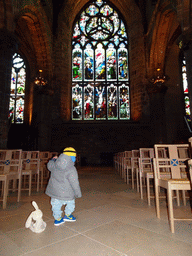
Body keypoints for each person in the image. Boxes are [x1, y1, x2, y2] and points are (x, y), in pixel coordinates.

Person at [45, 147, 82, 226]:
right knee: (71, 204)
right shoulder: (71, 168)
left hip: (55, 192)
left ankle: (58, 219)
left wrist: (52, 159)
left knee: (56, 206)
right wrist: (77, 193)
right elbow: (74, 182)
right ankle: (68, 215)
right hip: (67, 193)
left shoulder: (54, 164)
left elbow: (49, 165)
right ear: (72, 158)